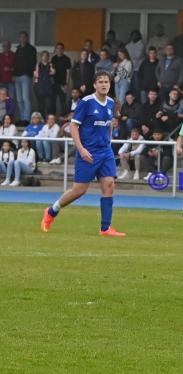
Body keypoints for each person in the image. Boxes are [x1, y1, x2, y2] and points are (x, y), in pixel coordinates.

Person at [40, 71, 126, 236]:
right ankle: (51, 211)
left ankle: (105, 228)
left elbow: (109, 125)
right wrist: (81, 149)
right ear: (94, 85)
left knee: (109, 185)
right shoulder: (86, 102)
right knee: (79, 190)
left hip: (105, 151)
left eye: (106, 82)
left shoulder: (111, 103)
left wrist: (108, 141)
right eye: (100, 81)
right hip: (88, 151)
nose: (104, 84)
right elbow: (73, 126)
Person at [14, 31, 37, 123]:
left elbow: (33, 63)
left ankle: (26, 119)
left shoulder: (31, 49)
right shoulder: (18, 49)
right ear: (19, 38)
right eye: (20, 37)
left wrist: (28, 72)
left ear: (27, 38)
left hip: (25, 76)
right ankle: (22, 118)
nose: (22, 39)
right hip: (17, 76)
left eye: (24, 37)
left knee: (25, 98)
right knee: (19, 99)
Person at [50, 43, 72, 116]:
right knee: (52, 102)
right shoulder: (53, 59)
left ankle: (63, 118)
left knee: (63, 102)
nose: (59, 50)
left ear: (63, 50)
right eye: (57, 48)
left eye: (61, 48)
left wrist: (66, 84)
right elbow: (51, 71)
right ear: (55, 49)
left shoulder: (67, 59)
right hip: (54, 84)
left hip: (63, 84)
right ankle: (53, 118)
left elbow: (68, 72)